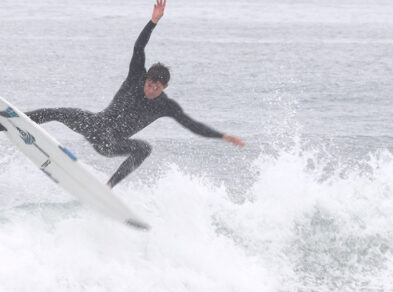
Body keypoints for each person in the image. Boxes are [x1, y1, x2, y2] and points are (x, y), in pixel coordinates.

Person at [26, 0, 244, 188]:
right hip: (95, 125)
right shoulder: (136, 77)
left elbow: (192, 125)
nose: (150, 90)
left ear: (164, 88)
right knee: (57, 112)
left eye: (156, 88)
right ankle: (13, 119)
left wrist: (222, 136)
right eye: (149, 84)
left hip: (112, 144)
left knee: (144, 148)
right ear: (146, 79)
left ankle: (110, 186)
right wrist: (153, 22)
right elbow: (139, 47)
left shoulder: (165, 106)